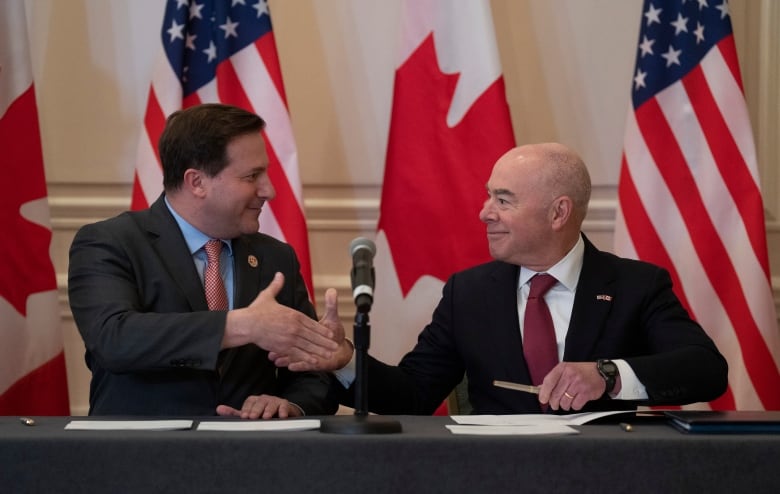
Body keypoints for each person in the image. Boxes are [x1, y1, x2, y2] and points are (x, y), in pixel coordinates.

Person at [267, 142, 729, 415]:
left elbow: (707, 370)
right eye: (490, 196)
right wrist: (345, 359)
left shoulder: (635, 285)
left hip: (607, 475)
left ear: (558, 212)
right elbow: (413, 394)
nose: (484, 212)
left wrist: (608, 375)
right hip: (494, 475)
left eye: (504, 200)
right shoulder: (469, 292)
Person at [68, 103, 340, 418]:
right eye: (252, 176)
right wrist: (243, 325)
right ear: (196, 182)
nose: (269, 190)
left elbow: (311, 375)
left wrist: (291, 404)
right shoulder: (110, 243)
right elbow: (114, 338)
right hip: (139, 458)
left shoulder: (276, 258)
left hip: (254, 458)